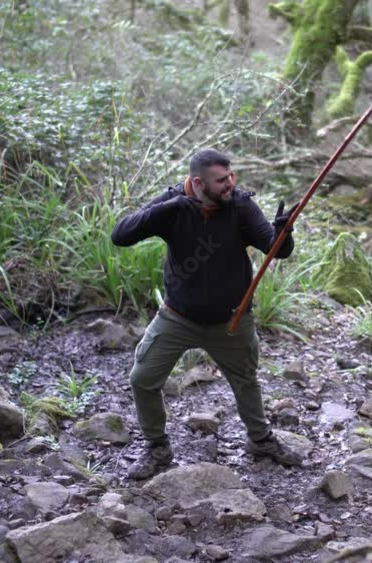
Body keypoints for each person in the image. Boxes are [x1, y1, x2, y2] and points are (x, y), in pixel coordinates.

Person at [111, 148, 302, 479]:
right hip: (178, 316)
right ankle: (157, 448)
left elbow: (275, 249)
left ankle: (261, 440)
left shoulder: (240, 205)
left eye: (231, 177)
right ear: (198, 183)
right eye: (221, 180)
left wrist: (284, 234)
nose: (230, 184)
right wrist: (168, 208)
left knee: (246, 381)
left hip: (231, 318)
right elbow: (120, 234)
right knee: (142, 379)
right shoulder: (172, 204)